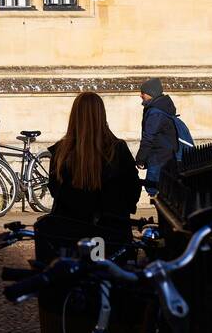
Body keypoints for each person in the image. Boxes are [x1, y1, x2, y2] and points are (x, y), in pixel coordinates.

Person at [35, 91, 141, 262]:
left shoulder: (61, 152)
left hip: (71, 236)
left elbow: (56, 191)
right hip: (110, 236)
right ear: (102, 115)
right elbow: (133, 190)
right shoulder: (118, 150)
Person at [134, 77, 180, 198]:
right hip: (165, 158)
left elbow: (148, 138)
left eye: (143, 92)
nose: (140, 95)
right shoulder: (160, 109)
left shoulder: (156, 113)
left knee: (155, 192)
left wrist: (140, 159)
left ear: (151, 93)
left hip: (159, 159)